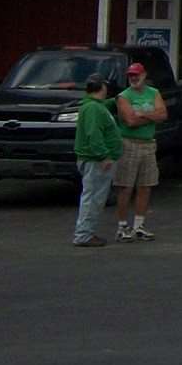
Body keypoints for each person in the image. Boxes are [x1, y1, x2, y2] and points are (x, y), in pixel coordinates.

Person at [113, 60, 167, 242]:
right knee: (125, 186)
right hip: (129, 143)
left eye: (136, 75)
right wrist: (151, 116)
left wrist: (143, 115)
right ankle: (122, 226)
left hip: (148, 143)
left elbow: (163, 115)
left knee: (146, 185)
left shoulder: (154, 92)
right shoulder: (123, 96)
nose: (134, 78)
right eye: (131, 76)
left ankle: (139, 225)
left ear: (144, 75)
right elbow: (130, 121)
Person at [72, 75, 120, 248]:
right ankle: (84, 234)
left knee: (93, 196)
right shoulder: (93, 109)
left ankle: (85, 233)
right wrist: (103, 155)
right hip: (95, 161)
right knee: (93, 198)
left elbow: (104, 107)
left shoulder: (94, 106)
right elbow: (94, 134)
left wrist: (116, 101)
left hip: (93, 159)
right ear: (102, 88)